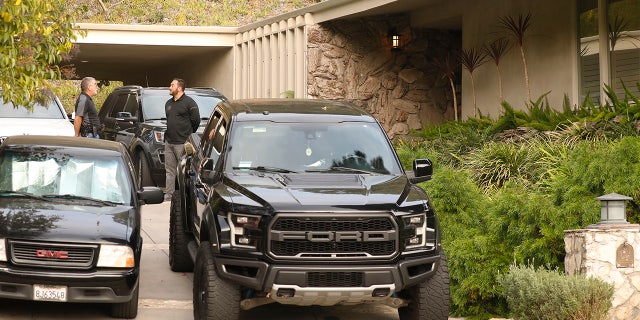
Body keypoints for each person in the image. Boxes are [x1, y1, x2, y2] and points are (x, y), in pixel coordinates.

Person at [164, 78, 200, 201]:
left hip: (182, 143)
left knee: (184, 172)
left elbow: (196, 121)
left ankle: (184, 197)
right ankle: (169, 196)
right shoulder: (168, 103)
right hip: (169, 142)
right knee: (169, 171)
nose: (170, 87)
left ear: (179, 88)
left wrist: (187, 135)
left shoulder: (190, 103)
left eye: (172, 85)